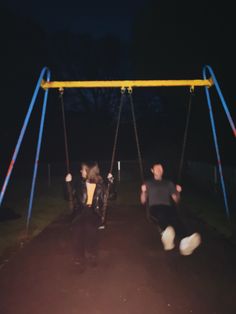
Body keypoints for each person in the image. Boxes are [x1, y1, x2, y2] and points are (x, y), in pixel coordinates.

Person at [140, 163, 201, 256]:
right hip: (154, 208)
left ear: (163, 171)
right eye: (156, 169)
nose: (159, 170)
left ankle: (185, 242)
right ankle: (166, 235)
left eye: (160, 168)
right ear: (152, 171)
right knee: (161, 215)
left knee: (176, 219)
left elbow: (176, 200)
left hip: (168, 207)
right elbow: (143, 201)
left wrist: (178, 192)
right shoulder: (148, 183)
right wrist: (143, 191)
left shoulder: (168, 183)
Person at [65, 161, 107, 271]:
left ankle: (91, 254)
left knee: (90, 227)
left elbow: (109, 197)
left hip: (94, 212)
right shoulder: (79, 183)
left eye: (83, 169)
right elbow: (68, 196)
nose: (81, 171)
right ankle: (79, 257)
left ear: (88, 171)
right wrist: (67, 183)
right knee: (77, 228)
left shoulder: (100, 184)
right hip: (80, 211)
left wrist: (111, 182)